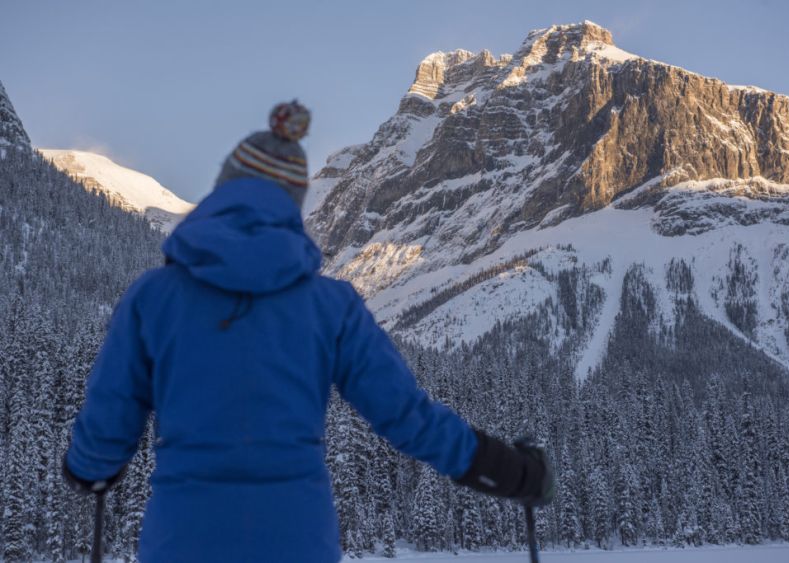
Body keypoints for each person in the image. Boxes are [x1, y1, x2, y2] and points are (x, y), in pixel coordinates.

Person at [63, 102, 554, 562]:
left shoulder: (153, 298)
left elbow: (109, 418)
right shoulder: (330, 305)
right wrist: (511, 471)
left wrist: (89, 470)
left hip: (182, 539)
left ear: (223, 190)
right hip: (298, 540)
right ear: (292, 203)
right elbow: (407, 417)